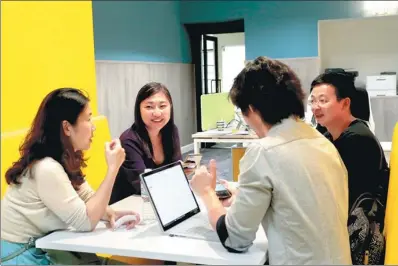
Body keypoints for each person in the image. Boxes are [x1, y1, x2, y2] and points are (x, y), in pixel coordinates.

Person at [190, 56, 352, 264]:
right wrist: (242, 195)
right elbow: (298, 198)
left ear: (252, 109)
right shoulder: (322, 143)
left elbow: (235, 238)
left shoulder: (263, 151)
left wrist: (207, 193)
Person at [1, 88, 140, 265]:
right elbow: (86, 221)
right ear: (67, 127)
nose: (93, 126)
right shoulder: (46, 168)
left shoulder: (63, 158)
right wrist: (113, 169)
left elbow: (88, 198)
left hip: (48, 249)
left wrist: (111, 213)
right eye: (88, 119)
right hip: (24, 256)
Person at [309, 72, 389, 210]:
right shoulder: (329, 136)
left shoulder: (358, 139)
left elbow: (344, 194)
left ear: (345, 103)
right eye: (313, 101)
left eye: (323, 101)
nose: (315, 107)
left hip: (362, 224)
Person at [109, 82, 182, 204]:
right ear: (139, 109)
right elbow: (143, 186)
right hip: (129, 205)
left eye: (162, 106)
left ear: (171, 107)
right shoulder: (129, 140)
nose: (157, 113)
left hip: (161, 199)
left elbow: (176, 170)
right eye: (149, 107)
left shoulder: (171, 131)